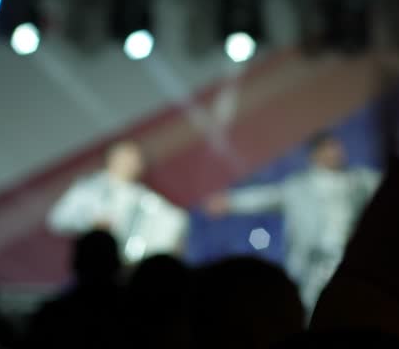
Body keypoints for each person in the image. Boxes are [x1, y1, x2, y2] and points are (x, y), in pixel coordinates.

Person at [205, 133, 380, 315]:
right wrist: (231, 202)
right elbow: (266, 197)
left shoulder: (359, 180)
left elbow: (388, 185)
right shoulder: (298, 188)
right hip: (312, 264)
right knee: (310, 309)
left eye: (336, 148)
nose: (336, 153)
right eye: (329, 148)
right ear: (315, 154)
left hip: (349, 260)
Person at [48, 140, 188, 264]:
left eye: (136, 159)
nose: (132, 164)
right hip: (95, 262)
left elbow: (177, 221)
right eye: (126, 158)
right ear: (111, 158)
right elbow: (58, 219)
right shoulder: (88, 189)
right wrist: (91, 222)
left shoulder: (143, 197)